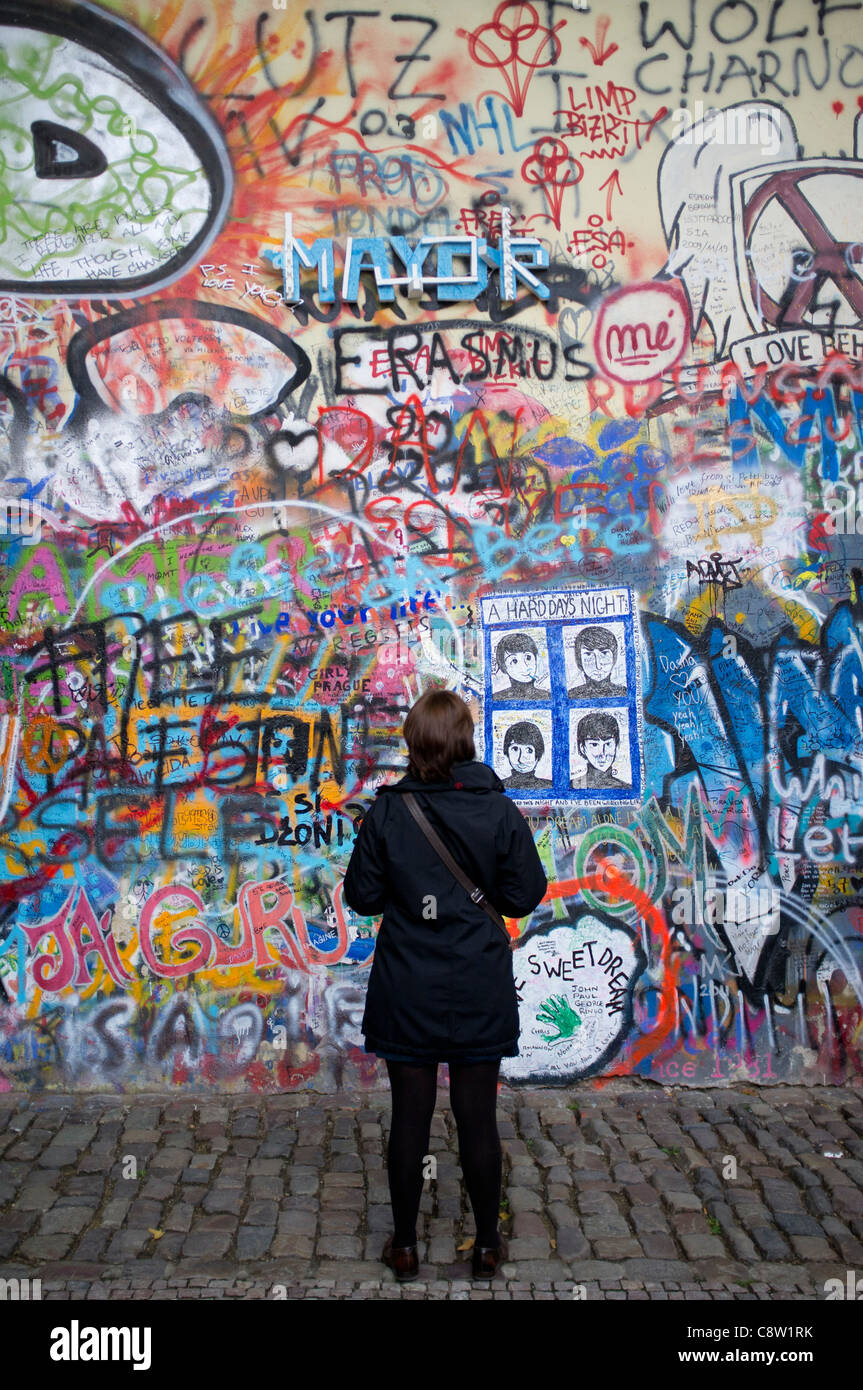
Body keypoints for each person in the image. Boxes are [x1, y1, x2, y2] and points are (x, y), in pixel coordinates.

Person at [342, 689, 547, 1283]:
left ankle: (404, 1246)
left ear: (413, 743)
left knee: (410, 1114)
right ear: (464, 741)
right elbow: (524, 895)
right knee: (477, 1117)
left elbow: (362, 897)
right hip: (477, 982)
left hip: (408, 983)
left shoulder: (388, 811)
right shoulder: (498, 810)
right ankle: (486, 1246)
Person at [570, 710, 631, 790]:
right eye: (594, 745)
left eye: (608, 744)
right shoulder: (571, 787)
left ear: (616, 745)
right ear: (582, 748)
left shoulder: (626, 788)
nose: (602, 753)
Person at [567, 625, 627, 698]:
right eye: (588, 654)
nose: (598, 666)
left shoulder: (624, 693)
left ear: (614, 658)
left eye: (604, 653)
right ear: (579, 660)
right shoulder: (571, 695)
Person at [494, 631, 551, 700]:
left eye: (528, 658)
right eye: (514, 661)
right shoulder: (497, 698)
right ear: (503, 667)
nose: (524, 667)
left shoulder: (547, 696)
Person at [501, 719, 553, 790]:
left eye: (529, 750)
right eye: (515, 749)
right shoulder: (498, 787)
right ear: (506, 751)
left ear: (538, 754)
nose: (521, 759)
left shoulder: (549, 786)